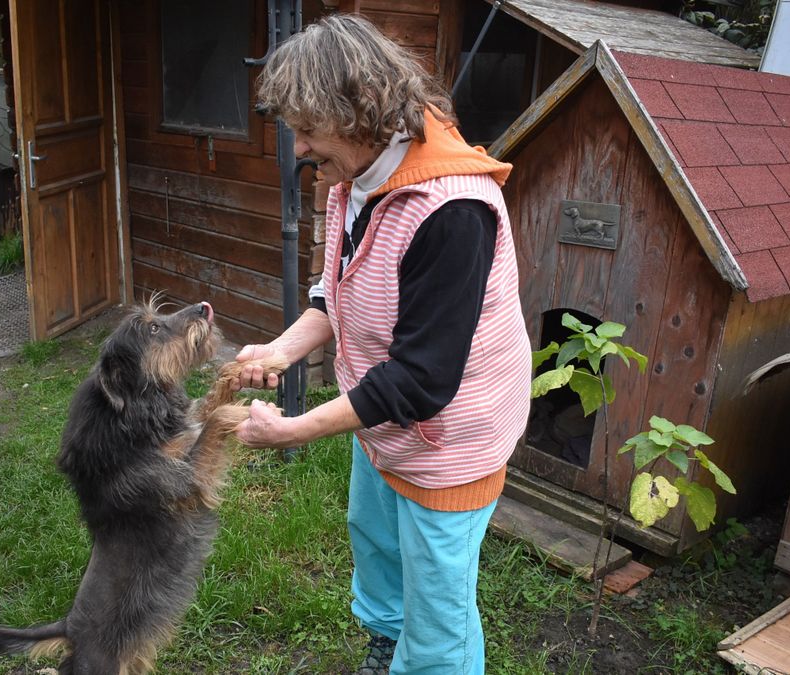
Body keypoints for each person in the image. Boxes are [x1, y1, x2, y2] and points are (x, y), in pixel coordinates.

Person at [234, 13, 531, 675]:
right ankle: (388, 637)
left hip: (448, 440)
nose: (300, 148)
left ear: (360, 111)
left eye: (308, 130)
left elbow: (421, 383)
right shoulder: (362, 175)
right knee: (377, 544)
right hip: (381, 421)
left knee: (440, 613)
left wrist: (295, 430)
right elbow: (339, 291)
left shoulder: (452, 211)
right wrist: (282, 350)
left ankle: (427, 658)